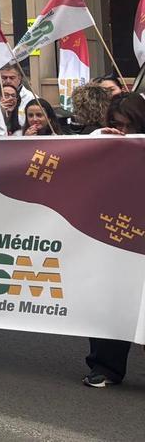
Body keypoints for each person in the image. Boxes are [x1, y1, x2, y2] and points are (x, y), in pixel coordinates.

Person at [83, 92, 145, 387]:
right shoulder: (102, 142)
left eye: (129, 126)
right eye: (117, 124)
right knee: (110, 298)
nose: (123, 131)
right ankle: (105, 366)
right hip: (113, 234)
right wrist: (100, 140)